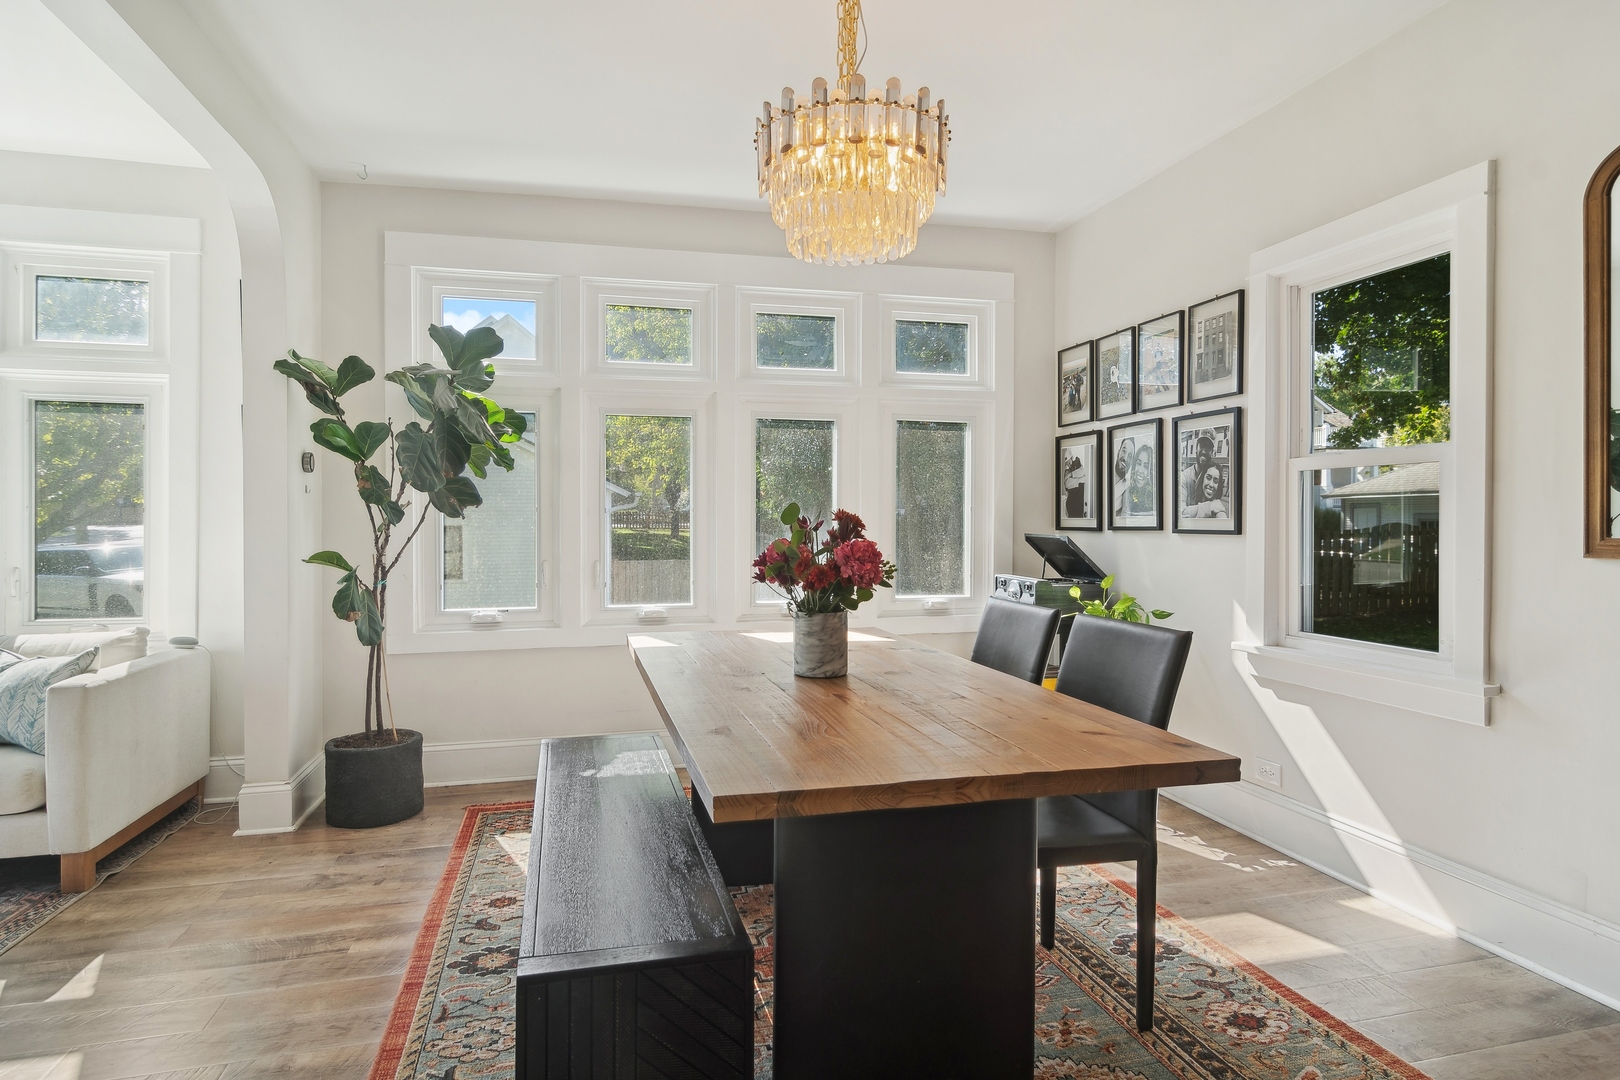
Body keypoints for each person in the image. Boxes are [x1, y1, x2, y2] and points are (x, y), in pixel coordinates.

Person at [1127, 443, 1155, 517]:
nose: (1140, 470)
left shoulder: (1155, 497)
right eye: (1138, 463)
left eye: (1146, 466)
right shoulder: (1128, 493)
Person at [1063, 449, 1089, 520]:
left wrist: (1072, 475)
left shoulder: (1078, 465)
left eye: (1069, 462)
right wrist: (1079, 480)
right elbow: (1067, 484)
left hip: (1079, 504)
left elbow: (1084, 474)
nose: (1069, 465)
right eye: (1067, 464)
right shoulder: (1067, 471)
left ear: (1072, 458)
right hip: (1071, 504)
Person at [1112, 437, 1134, 516]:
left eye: (1130, 455)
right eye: (1124, 451)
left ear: (1131, 463)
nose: (1125, 458)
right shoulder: (1104, 474)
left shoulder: (1127, 487)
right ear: (1118, 452)